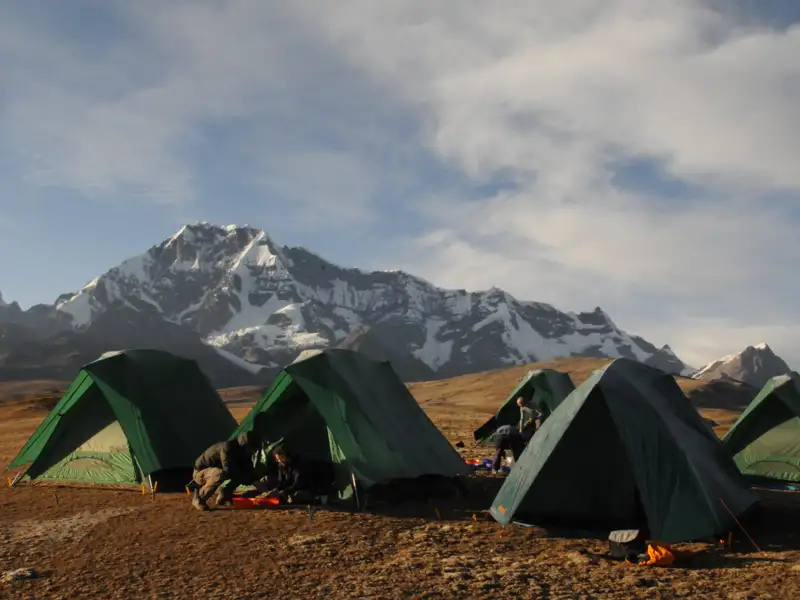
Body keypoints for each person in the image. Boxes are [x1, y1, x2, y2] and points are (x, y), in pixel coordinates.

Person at [190, 432, 257, 511]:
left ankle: (225, 496)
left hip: (213, 471)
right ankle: (199, 498)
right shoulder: (227, 448)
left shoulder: (241, 451)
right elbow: (227, 469)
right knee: (219, 474)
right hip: (200, 473)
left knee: (240, 472)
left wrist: (252, 480)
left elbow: (247, 469)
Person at [264, 445, 336, 505]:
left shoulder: (299, 466)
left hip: (310, 487)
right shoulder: (281, 466)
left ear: (288, 457)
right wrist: (276, 489)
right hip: (295, 487)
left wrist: (285, 491)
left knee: (297, 496)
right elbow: (281, 481)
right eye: (278, 459)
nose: (279, 461)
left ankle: (318, 499)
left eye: (281, 458)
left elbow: (299, 483)